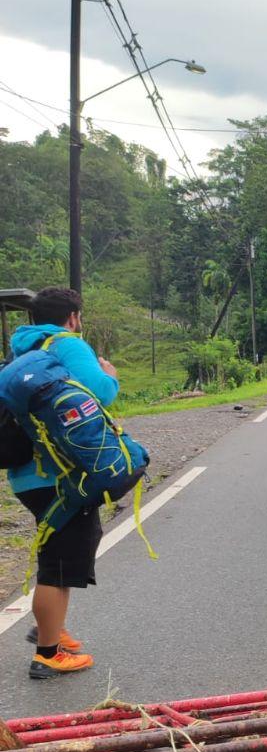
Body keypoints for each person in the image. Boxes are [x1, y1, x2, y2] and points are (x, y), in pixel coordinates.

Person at [8, 287, 119, 678]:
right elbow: (99, 394)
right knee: (57, 563)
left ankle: (49, 626)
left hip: (26, 475)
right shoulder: (68, 345)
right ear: (72, 316)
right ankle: (48, 654)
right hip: (61, 473)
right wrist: (110, 376)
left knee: (68, 549)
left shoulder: (21, 350)